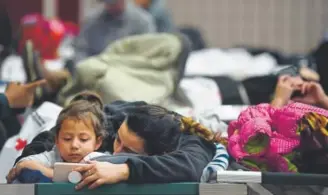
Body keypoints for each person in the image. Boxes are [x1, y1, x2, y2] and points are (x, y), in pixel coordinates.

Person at [9, 94, 216, 188]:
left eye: (129, 150)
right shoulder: (114, 119)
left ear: (157, 155)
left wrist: (124, 169)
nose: (117, 152)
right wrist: (27, 162)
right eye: (118, 141)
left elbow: (192, 166)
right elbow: (58, 134)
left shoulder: (187, 141)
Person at [6, 91, 108, 183]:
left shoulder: (102, 161)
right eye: (67, 138)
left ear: (98, 142)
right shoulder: (52, 156)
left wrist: (52, 174)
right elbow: (23, 164)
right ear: (57, 140)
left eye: (83, 139)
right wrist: (57, 174)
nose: (74, 145)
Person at [74, 0, 156, 64]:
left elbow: (148, 55)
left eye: (113, 2)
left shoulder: (142, 22)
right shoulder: (91, 22)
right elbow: (80, 50)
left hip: (130, 75)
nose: (110, 6)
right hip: (96, 75)